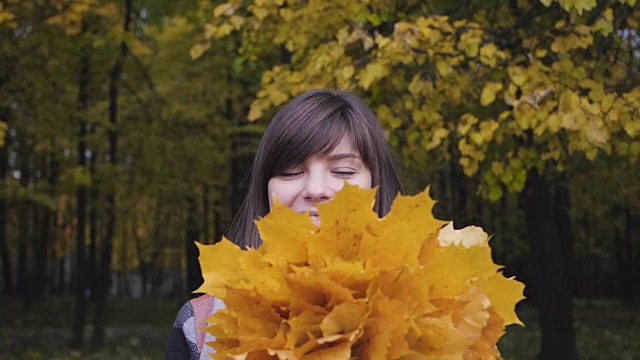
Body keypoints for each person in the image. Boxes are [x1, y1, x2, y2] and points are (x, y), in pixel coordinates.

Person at [164, 89, 403, 359]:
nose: (315, 189)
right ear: (265, 188)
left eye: (343, 171)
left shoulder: (438, 312)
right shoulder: (203, 325)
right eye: (291, 172)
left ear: (377, 185)